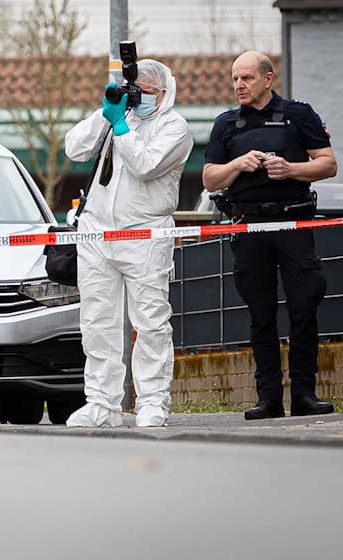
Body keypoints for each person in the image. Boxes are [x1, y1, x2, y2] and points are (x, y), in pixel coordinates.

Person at [203, 51, 337, 420]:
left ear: (268, 78)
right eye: (235, 79)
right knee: (260, 314)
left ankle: (305, 394)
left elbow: (328, 163)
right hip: (248, 226)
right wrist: (236, 165)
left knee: (304, 307)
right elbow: (209, 177)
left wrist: (291, 169)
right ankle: (268, 399)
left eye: (246, 78)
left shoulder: (298, 114)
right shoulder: (227, 124)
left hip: (293, 224)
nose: (239, 86)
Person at [63, 60, 193, 428]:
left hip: (144, 235)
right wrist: (105, 115)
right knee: (97, 320)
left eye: (146, 92)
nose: (139, 98)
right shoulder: (120, 116)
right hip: (98, 234)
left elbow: (145, 165)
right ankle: (101, 402)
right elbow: (74, 148)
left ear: (164, 93)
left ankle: (152, 401)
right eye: (136, 90)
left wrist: (120, 127)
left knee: (150, 320)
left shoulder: (175, 128)